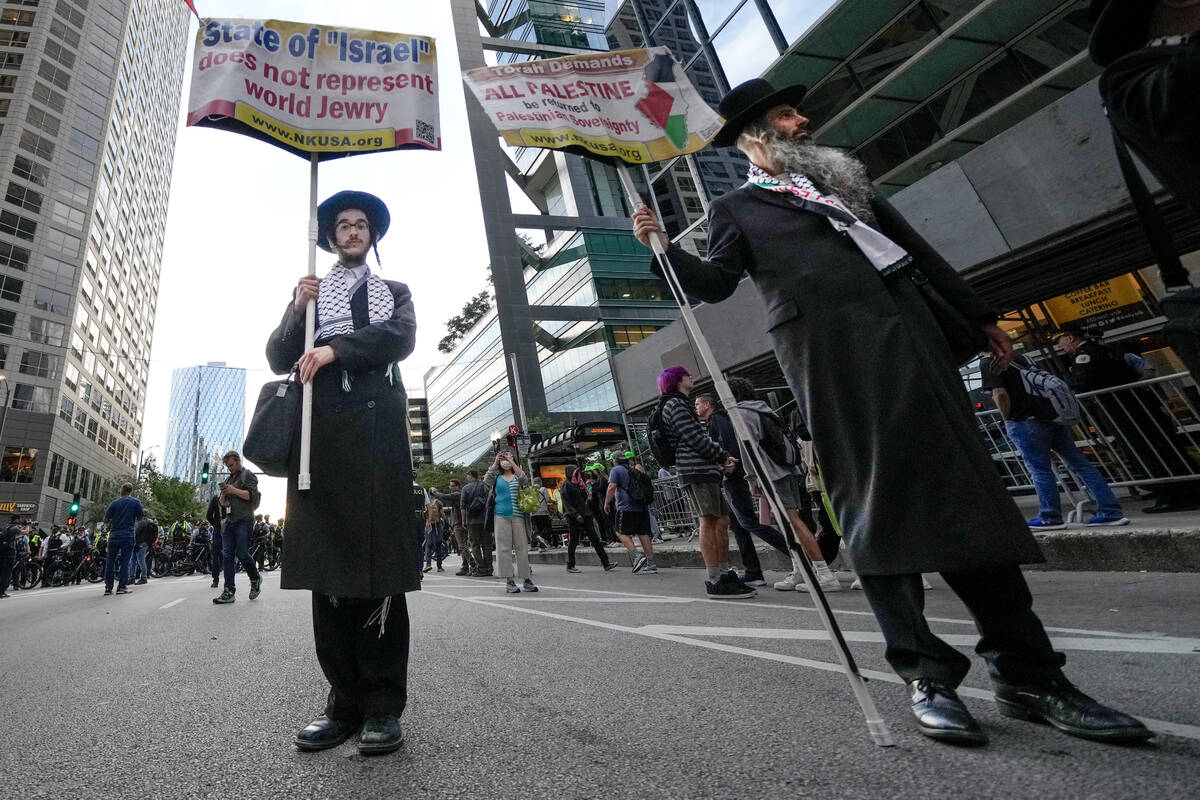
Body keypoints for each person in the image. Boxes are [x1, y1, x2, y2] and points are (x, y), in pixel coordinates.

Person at [631, 78, 1149, 745]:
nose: (803, 120)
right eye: (788, 116)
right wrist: (663, 247)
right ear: (756, 137)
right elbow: (710, 283)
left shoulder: (848, 185)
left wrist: (976, 315)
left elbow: (919, 252)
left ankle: (1029, 674)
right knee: (875, 508)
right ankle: (925, 674)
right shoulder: (738, 209)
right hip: (834, 366)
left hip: (916, 345)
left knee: (970, 496)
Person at [267, 189, 417, 755]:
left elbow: (399, 338)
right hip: (319, 440)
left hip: (377, 442)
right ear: (329, 237)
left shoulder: (394, 292)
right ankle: (343, 705)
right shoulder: (310, 293)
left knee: (377, 571)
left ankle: (382, 707)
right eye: (343, 226)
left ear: (371, 236)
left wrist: (335, 351)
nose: (352, 232)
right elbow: (281, 357)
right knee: (328, 570)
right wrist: (295, 307)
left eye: (361, 226)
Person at [1057, 329, 1200, 513]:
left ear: (1070, 337)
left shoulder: (1086, 355)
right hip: (1136, 406)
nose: (1059, 346)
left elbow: (1083, 382)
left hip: (1121, 410)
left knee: (1146, 451)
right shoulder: (1109, 349)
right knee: (1162, 447)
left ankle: (1174, 494)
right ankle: (1177, 488)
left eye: (1060, 341)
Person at [984, 353, 1130, 529]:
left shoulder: (988, 362)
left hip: (1023, 420)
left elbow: (1000, 394)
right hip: (1051, 417)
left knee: (1039, 469)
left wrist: (1007, 418)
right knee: (1080, 463)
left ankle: (1050, 516)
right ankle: (1110, 511)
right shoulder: (1020, 357)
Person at [655, 366, 752, 599]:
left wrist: (719, 461)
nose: (692, 377)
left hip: (704, 469)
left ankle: (723, 572)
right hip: (695, 470)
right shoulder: (675, 405)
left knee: (721, 520)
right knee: (709, 520)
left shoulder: (679, 404)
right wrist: (722, 456)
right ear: (677, 380)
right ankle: (715, 578)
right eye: (688, 375)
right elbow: (694, 437)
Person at [695, 391, 793, 589]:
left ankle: (799, 555)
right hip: (736, 475)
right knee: (739, 525)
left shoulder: (717, 419)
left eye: (697, 404)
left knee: (748, 522)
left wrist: (726, 467)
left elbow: (729, 445)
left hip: (734, 476)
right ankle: (753, 571)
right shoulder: (719, 420)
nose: (695, 407)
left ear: (707, 405)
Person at [212, 451, 263, 605]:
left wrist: (233, 490)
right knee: (227, 555)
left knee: (242, 553)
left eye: (232, 465)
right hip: (229, 522)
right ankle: (229, 591)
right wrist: (222, 497)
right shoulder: (228, 479)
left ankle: (255, 578)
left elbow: (252, 496)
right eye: (228, 466)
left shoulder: (248, 475)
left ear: (238, 461)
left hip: (244, 520)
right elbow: (223, 503)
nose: (230, 468)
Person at [485, 449, 537, 594]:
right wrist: (495, 462)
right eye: (504, 458)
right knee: (504, 548)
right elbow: (486, 480)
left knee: (522, 547)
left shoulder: (516, 476)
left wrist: (512, 461)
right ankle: (509, 580)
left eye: (507, 457)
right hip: (500, 516)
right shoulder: (496, 477)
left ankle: (526, 579)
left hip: (518, 516)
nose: (505, 460)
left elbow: (525, 479)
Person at [605, 451, 658, 573]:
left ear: (614, 460)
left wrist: (606, 503)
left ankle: (636, 556)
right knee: (643, 534)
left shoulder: (616, 470)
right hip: (641, 506)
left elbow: (612, 486)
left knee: (620, 532)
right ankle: (651, 564)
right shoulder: (634, 469)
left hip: (626, 507)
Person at [560, 465, 614, 573]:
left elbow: (585, 498)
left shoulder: (579, 484)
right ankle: (570, 565)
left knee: (595, 538)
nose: (577, 475)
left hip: (585, 513)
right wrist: (576, 514)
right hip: (574, 516)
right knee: (574, 540)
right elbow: (566, 503)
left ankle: (606, 563)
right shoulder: (566, 485)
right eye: (575, 473)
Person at [102, 483, 144, 596]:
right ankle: (121, 587)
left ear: (122, 490)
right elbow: (140, 517)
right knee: (126, 561)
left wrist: (107, 527)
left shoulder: (114, 503)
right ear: (131, 491)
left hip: (114, 534)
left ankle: (108, 588)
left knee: (110, 561)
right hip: (128, 534)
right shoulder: (136, 502)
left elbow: (106, 518)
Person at [430, 480, 473, 576]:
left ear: (458, 486)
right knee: (462, 546)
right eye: (450, 486)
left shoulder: (458, 494)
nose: (451, 488)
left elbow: (445, 497)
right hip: (462, 522)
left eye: (453, 486)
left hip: (459, 522)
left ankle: (472, 563)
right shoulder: (460, 494)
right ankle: (465, 566)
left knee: (462, 545)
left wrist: (435, 492)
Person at [460, 470, 492, 576]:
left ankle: (481, 568)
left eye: (467, 475)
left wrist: (464, 521)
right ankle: (489, 568)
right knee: (487, 545)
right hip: (485, 520)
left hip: (472, 521)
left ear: (470, 476)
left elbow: (463, 506)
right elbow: (490, 502)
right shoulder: (485, 486)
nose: (467, 477)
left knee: (475, 545)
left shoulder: (466, 488)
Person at [529, 478, 554, 550]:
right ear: (540, 482)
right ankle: (541, 537)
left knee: (539, 529)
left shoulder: (531, 490)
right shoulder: (543, 489)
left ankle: (541, 546)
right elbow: (548, 499)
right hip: (542, 512)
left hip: (533, 514)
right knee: (548, 527)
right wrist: (553, 501)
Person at [422, 496, 444, 573]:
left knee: (428, 545)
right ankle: (439, 566)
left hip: (428, 525)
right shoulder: (438, 502)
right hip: (437, 525)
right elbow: (442, 514)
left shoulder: (425, 502)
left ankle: (428, 564)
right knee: (438, 545)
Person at [205, 494, 224, 588]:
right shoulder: (231, 497)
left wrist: (215, 524)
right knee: (229, 553)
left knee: (215, 554)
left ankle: (215, 580)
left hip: (218, 528)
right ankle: (229, 581)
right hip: (229, 527)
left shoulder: (215, 499)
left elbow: (208, 515)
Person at [132, 516, 157, 585]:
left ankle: (143, 578)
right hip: (145, 543)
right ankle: (137, 577)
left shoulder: (141, 523)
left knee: (141, 561)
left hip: (141, 543)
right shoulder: (148, 522)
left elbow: (136, 532)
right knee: (139, 560)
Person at [0, 515, 19, 598]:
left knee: (1, 571)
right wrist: (28, 525)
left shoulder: (4, 526)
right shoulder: (15, 528)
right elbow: (25, 532)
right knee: (6, 573)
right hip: (9, 554)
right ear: (17, 520)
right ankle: (1, 591)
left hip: (2, 552)